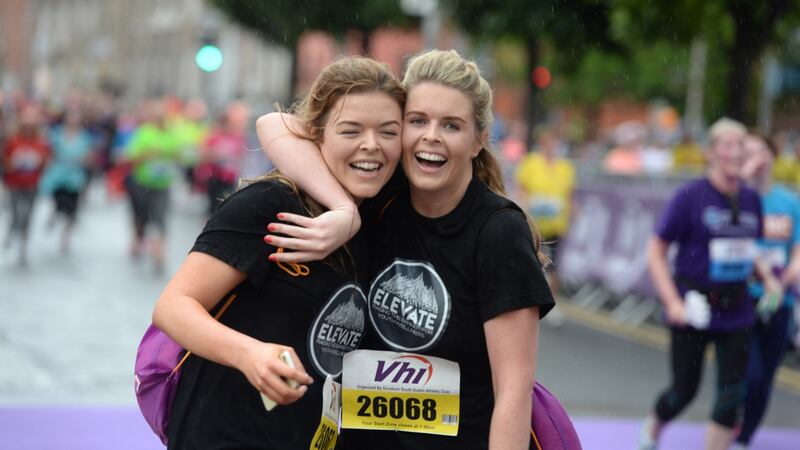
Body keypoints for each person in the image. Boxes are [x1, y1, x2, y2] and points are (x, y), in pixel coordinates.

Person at [258, 49, 555, 450]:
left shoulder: (499, 232)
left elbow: (513, 395)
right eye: (417, 121)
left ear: (479, 141)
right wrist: (345, 210)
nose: (431, 136)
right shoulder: (379, 193)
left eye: (451, 125)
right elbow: (274, 124)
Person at [151, 56, 404, 450]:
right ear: (317, 133)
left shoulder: (382, 214)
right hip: (223, 434)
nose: (370, 145)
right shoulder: (272, 204)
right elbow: (172, 307)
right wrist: (249, 354)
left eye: (388, 132)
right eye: (351, 130)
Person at [639, 118, 781, 450]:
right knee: (683, 391)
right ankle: (655, 424)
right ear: (711, 153)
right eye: (727, 145)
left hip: (737, 310)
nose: (735, 152)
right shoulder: (690, 196)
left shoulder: (750, 200)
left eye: (741, 145)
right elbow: (655, 252)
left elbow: (749, 250)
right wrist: (673, 302)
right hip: (693, 307)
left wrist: (769, 279)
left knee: (732, 396)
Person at [733, 133, 800, 449]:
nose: (757, 159)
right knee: (750, 372)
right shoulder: (739, 199)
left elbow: (797, 248)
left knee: (766, 378)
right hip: (745, 296)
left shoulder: (789, 201)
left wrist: (790, 272)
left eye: (762, 152)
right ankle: (730, 422)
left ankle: (745, 437)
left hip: (781, 299)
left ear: (774, 157)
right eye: (749, 154)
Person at [515, 126, 575, 300]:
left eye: (554, 142)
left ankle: (552, 301)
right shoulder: (530, 162)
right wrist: (529, 206)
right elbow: (522, 189)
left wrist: (570, 215)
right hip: (534, 223)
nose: (551, 146)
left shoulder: (565, 166)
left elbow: (569, 195)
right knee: (530, 260)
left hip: (556, 223)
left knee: (554, 265)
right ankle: (525, 296)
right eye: (547, 142)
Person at [123, 99, 181, 272]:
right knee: (141, 216)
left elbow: (180, 155)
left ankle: (160, 254)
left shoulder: (171, 134)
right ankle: (138, 240)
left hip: (162, 184)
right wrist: (148, 153)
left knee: (160, 218)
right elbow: (130, 156)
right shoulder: (144, 132)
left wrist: (172, 154)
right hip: (142, 182)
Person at [39, 107, 94, 253]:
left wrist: (84, 160)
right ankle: (55, 214)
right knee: (59, 201)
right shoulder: (57, 133)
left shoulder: (85, 136)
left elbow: (90, 156)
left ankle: (65, 235)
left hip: (75, 175)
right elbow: (48, 150)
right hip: (59, 173)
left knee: (72, 208)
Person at [2, 105, 50, 266]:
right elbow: (5, 159)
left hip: (32, 183)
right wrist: (12, 164)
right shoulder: (13, 140)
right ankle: (13, 229)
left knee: (28, 214)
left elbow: (45, 161)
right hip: (15, 183)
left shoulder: (40, 142)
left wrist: (39, 163)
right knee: (15, 211)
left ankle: (23, 243)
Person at [195, 102, 249, 215]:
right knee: (215, 208)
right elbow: (202, 155)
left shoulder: (238, 137)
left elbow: (241, 155)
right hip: (215, 177)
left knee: (226, 206)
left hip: (230, 178)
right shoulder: (214, 136)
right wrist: (216, 155)